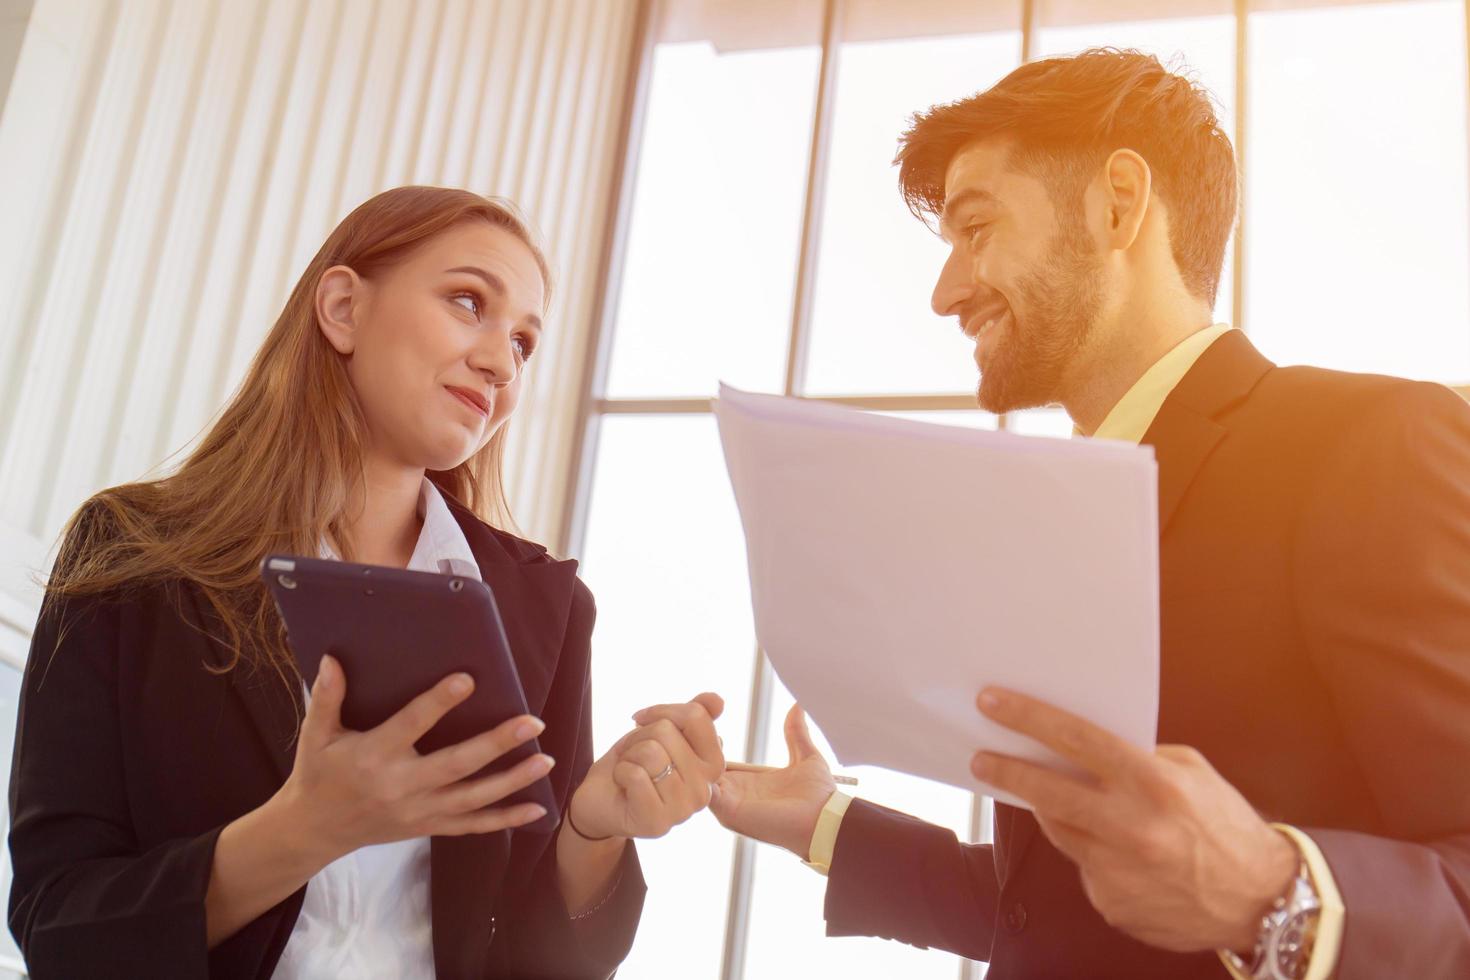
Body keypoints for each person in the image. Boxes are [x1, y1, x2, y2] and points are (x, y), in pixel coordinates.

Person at [673, 49, 1470, 980]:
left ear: (1118, 204)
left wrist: (1271, 892)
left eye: (976, 228)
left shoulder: (1372, 442)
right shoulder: (1054, 516)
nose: (945, 292)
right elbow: (1057, 909)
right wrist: (823, 821)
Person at [7, 186, 725, 979]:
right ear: (343, 308)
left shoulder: (548, 607)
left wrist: (592, 834)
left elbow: (536, 962)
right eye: (467, 301)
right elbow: (59, 929)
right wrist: (303, 830)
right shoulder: (132, 553)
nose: (499, 361)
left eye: (524, 343)